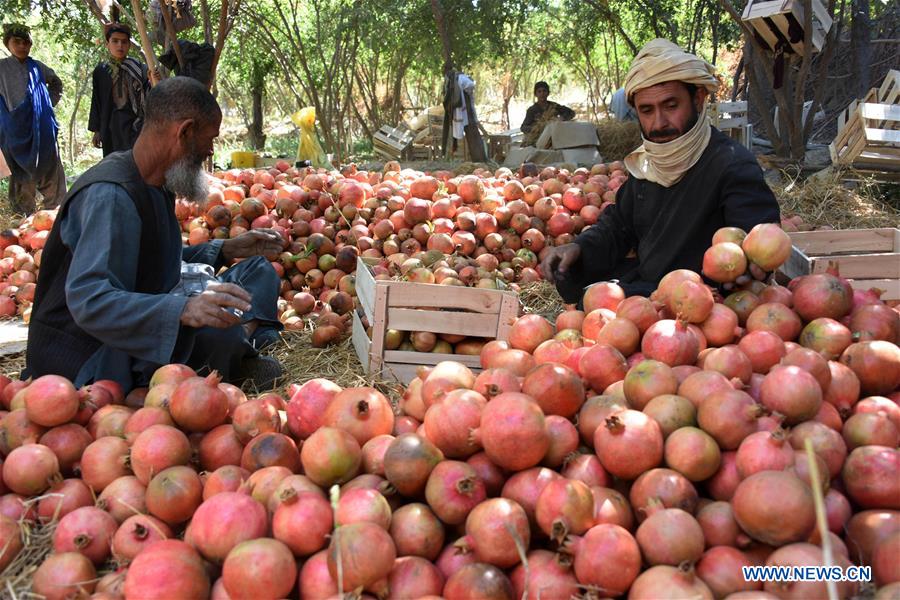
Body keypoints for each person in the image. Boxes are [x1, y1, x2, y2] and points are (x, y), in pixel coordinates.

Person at [25, 77, 285, 393]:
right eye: (209, 139)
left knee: (258, 270)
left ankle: (239, 345)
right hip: (87, 353)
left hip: (140, 316)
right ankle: (239, 346)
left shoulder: (157, 183)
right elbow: (90, 301)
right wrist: (183, 310)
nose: (210, 150)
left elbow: (150, 263)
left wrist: (226, 249)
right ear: (185, 132)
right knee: (220, 334)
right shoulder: (111, 196)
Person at [540, 39, 780, 303]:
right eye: (647, 110)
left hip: (700, 301)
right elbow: (618, 227)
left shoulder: (732, 164)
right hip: (648, 291)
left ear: (698, 99)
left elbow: (756, 248)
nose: (659, 123)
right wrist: (579, 248)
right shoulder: (647, 163)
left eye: (671, 106)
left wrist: (748, 267)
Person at [0, 23, 66, 214]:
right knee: (21, 175)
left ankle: (57, 214)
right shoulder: (2, 68)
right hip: (15, 133)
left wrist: (46, 105)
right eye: (17, 42)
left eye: (26, 42)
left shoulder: (38, 67)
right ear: (7, 43)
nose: (22, 46)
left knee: (51, 168)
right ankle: (23, 218)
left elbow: (56, 83)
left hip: (42, 131)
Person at [88, 22, 151, 156]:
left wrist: (154, 79)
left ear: (129, 45)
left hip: (134, 125)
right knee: (113, 162)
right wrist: (97, 130)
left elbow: (149, 95)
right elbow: (96, 101)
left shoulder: (139, 68)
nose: (120, 46)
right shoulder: (101, 70)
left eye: (124, 42)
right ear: (107, 44)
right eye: (115, 41)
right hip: (110, 125)